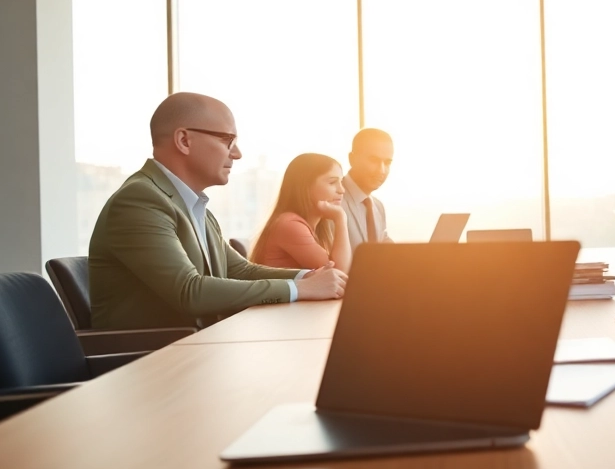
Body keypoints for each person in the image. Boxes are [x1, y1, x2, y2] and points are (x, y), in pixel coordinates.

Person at [89, 93, 347, 330]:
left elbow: (240, 271)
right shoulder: (140, 200)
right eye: (227, 140)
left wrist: (310, 277)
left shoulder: (193, 204)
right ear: (184, 140)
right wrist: (299, 289)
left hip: (198, 348)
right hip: (152, 363)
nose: (237, 153)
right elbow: (189, 291)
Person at [250, 153, 353, 272]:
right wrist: (341, 219)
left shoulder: (315, 226)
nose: (342, 190)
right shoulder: (289, 225)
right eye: (332, 183)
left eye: (341, 182)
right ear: (305, 186)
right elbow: (339, 274)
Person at [341, 128, 394, 252]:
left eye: (387, 163)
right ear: (352, 159)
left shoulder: (377, 206)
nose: (381, 170)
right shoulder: (331, 200)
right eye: (374, 160)